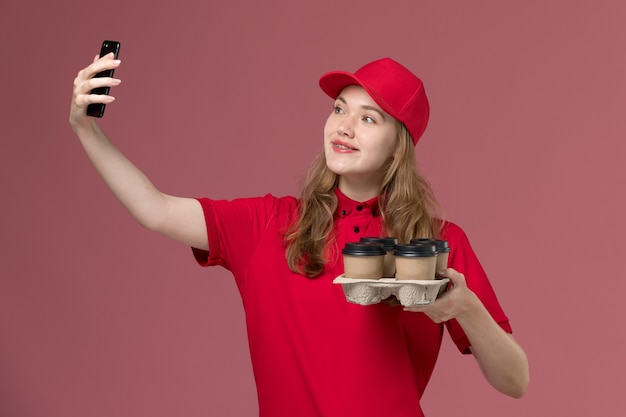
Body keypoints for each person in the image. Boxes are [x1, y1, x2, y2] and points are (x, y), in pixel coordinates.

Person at [70, 55, 529, 417]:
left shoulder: (434, 244)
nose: (344, 126)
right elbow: (155, 209)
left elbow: (515, 382)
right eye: (339, 109)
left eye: (370, 118)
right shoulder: (269, 225)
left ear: (400, 145)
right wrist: (85, 129)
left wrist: (467, 308)